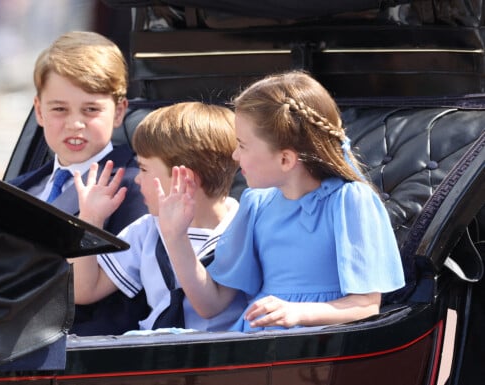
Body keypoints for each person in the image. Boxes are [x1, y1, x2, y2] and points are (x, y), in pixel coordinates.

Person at [156, 71, 406, 332]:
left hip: (312, 347)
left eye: (242, 145)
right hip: (255, 341)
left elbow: (366, 306)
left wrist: (297, 312)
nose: (234, 155)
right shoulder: (257, 204)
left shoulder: (349, 201)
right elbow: (211, 305)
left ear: (285, 159)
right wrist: (175, 238)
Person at [8, 31, 149, 335]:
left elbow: (122, 299)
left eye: (91, 109)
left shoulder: (135, 184)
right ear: (39, 111)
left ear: (119, 111)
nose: (75, 124)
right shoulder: (19, 189)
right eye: (59, 109)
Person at [70, 101, 247, 331]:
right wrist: (90, 220)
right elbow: (83, 290)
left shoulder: (241, 229)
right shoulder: (147, 230)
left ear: (184, 180)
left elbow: (207, 308)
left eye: (143, 169)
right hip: (153, 355)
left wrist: (175, 236)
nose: (136, 179)